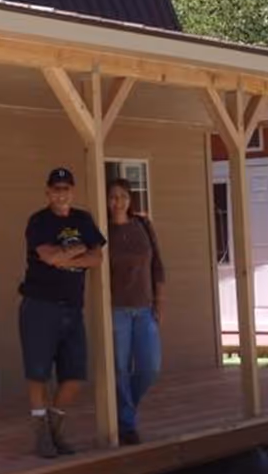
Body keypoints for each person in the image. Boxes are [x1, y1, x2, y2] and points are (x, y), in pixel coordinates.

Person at [19, 166, 106, 458]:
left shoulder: (83, 219)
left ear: (73, 191)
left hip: (72, 307)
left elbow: (98, 258)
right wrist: (76, 251)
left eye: (66, 188)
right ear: (48, 192)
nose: (61, 193)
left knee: (75, 374)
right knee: (38, 373)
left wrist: (70, 255)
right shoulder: (39, 221)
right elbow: (50, 257)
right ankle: (41, 434)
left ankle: (55, 427)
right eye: (56, 189)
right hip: (40, 306)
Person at [106, 177, 165, 445]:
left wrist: (159, 302)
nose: (118, 202)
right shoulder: (103, 231)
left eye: (123, 196)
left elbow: (158, 266)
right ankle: (127, 424)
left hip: (144, 309)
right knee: (119, 368)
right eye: (113, 197)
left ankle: (126, 410)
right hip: (117, 309)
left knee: (149, 367)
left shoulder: (143, 225)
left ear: (130, 200)